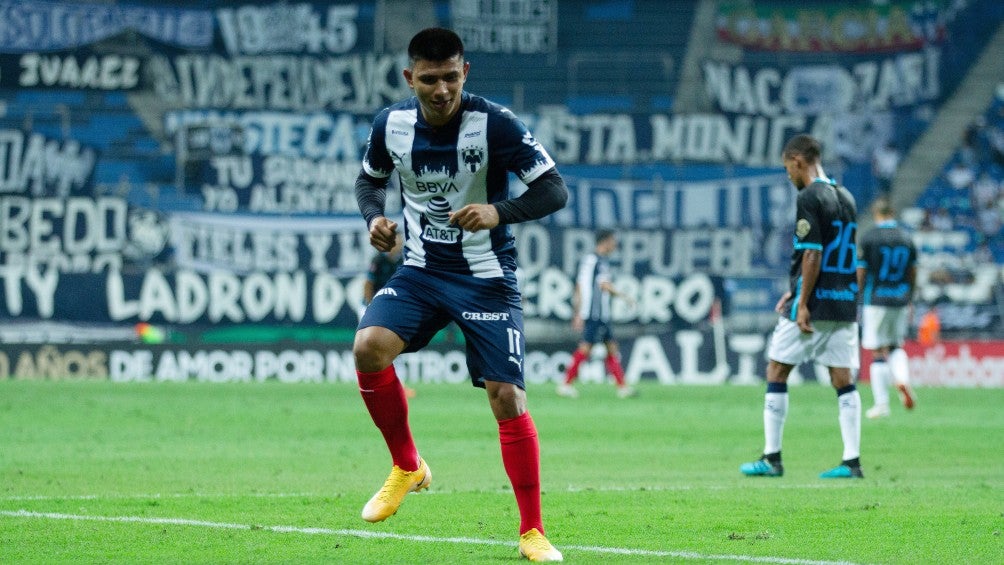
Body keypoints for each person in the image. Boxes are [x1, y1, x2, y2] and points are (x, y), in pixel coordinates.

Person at [352, 28, 567, 562]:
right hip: (422, 271)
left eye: (451, 76)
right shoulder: (391, 125)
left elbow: (554, 189)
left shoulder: (496, 124)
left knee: (506, 397)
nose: (441, 89)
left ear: (464, 72)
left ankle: (532, 532)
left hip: (486, 277)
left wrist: (500, 211)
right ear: (411, 79)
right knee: (367, 347)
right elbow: (368, 181)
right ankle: (407, 466)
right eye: (429, 79)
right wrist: (374, 217)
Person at [740, 134, 864, 479]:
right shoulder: (847, 196)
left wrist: (803, 301)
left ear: (797, 161)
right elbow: (847, 255)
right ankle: (852, 462)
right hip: (843, 302)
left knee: (777, 370)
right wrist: (795, 291)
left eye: (786, 168)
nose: (787, 176)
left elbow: (812, 252)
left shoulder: (810, 197)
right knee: (842, 378)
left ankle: (771, 457)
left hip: (816, 304)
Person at [857, 198, 918, 419]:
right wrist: (910, 294)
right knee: (895, 346)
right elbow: (913, 271)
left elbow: (862, 271)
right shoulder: (906, 238)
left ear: (876, 214)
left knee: (877, 350)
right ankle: (902, 380)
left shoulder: (869, 238)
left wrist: (858, 295)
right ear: (893, 213)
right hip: (900, 298)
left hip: (876, 299)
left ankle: (882, 403)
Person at [557, 229, 636, 399]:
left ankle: (622, 387)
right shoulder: (598, 261)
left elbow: (579, 286)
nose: (615, 245)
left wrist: (577, 312)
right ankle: (565, 384)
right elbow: (604, 285)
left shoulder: (590, 260)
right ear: (605, 241)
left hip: (599, 314)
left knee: (611, 348)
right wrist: (625, 297)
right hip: (595, 314)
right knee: (586, 349)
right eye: (613, 241)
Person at [362, 233, 417, 399]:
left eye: (401, 241)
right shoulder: (378, 260)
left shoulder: (404, 260)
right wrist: (372, 307)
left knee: (394, 349)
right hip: (373, 307)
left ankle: (397, 386)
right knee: (372, 348)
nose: (399, 244)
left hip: (392, 310)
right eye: (397, 241)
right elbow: (368, 284)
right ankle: (375, 386)